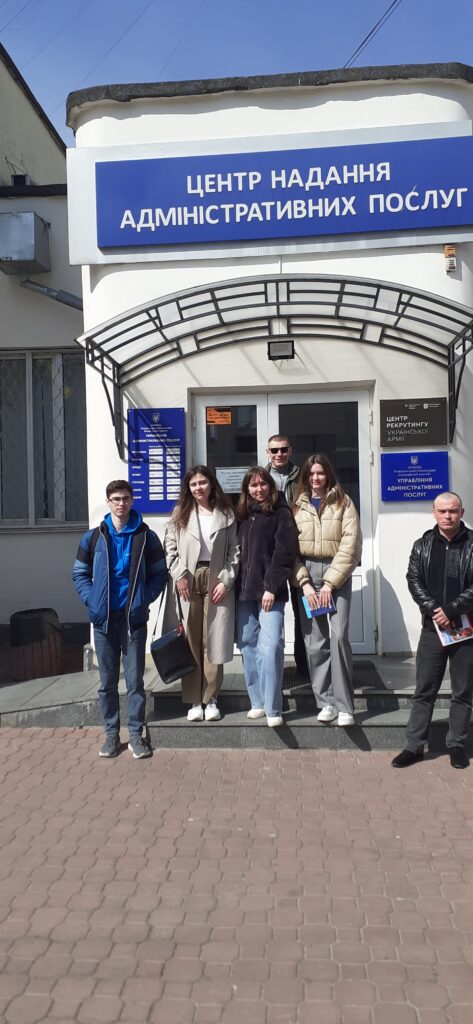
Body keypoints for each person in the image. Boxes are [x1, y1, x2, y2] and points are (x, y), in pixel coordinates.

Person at [73, 480, 167, 759]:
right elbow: (79, 574)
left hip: (133, 619)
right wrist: (92, 600)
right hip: (104, 620)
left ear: (132, 500)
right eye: (116, 499)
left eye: (125, 498)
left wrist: (143, 599)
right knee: (107, 682)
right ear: (108, 502)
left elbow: (159, 574)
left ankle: (136, 734)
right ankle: (112, 734)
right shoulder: (93, 537)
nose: (121, 503)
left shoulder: (146, 537)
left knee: (135, 681)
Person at [392, 491, 473, 770]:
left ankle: (457, 745)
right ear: (434, 513)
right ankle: (414, 746)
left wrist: (451, 610)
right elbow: (413, 580)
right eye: (442, 511)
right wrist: (435, 610)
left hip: (466, 629)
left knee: (463, 691)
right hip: (433, 629)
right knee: (424, 690)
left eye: (453, 511)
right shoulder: (422, 545)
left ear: (461, 512)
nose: (447, 516)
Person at [163, 465, 240, 722]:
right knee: (191, 639)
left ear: (211, 484)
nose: (199, 488)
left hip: (216, 578)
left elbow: (235, 551)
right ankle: (194, 700)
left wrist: (226, 581)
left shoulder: (226, 514)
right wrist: (179, 575)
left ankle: (211, 698)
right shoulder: (180, 513)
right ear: (188, 488)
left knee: (213, 638)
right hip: (188, 578)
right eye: (194, 484)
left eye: (203, 483)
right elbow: (170, 549)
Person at [292, 453, 362, 727]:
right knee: (315, 643)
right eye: (311, 474)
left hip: (337, 574)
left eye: (320, 473)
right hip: (308, 576)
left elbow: (351, 545)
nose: (316, 478)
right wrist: (305, 582)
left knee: (339, 637)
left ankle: (345, 706)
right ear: (305, 477)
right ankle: (325, 702)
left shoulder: (344, 503)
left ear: (328, 474)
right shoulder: (296, 506)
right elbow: (289, 550)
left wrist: (331, 583)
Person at [236, 466, 297, 727]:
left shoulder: (281, 513)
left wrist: (271, 586)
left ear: (271, 486)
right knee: (248, 645)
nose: (258, 489)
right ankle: (257, 702)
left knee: (271, 647)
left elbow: (285, 552)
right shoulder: (242, 515)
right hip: (244, 593)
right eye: (253, 485)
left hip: (271, 592)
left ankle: (273, 707)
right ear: (246, 489)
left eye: (263, 484)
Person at [265, 434, 306, 676]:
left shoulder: (303, 476)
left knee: (303, 611)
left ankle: (305, 663)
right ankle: (272, 667)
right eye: (274, 450)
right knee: (271, 609)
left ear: (290, 451)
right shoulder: (260, 478)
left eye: (283, 449)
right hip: (270, 554)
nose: (279, 454)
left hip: (299, 550)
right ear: (267, 453)